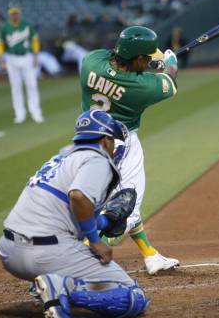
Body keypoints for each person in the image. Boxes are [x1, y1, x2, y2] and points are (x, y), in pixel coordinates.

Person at [0, 109, 149, 318]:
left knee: (66, 241)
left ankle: (43, 284)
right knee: (133, 297)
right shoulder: (97, 159)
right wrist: (96, 240)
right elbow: (78, 197)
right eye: (113, 141)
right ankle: (62, 287)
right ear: (105, 140)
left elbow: (68, 212)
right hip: (44, 253)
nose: (113, 147)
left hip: (9, 251)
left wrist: (105, 221)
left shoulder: (60, 157)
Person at [79, 26, 180, 275]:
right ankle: (77, 256)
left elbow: (112, 58)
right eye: (145, 58)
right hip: (121, 143)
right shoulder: (141, 88)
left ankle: (150, 255)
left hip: (86, 139)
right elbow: (170, 80)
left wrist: (147, 64)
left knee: (120, 199)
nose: (148, 61)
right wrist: (169, 62)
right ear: (136, 58)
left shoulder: (90, 63)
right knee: (127, 205)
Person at [0, 5, 44, 124]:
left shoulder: (27, 25)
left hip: (27, 56)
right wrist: (1, 59)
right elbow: (0, 43)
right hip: (11, 58)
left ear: (20, 13)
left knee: (32, 85)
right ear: (9, 14)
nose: (14, 15)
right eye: (12, 13)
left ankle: (36, 112)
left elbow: (35, 40)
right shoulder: (4, 27)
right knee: (16, 87)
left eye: (16, 13)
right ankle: (19, 114)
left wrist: (36, 55)